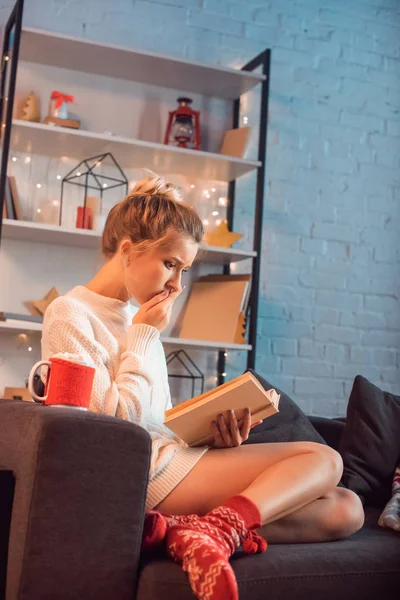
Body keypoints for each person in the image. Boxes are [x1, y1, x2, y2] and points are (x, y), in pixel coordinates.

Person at [42, 175, 365, 600]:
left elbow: (155, 420)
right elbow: (117, 430)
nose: (178, 284)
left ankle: (184, 531)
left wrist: (212, 438)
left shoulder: (137, 317)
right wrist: (143, 337)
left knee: (345, 510)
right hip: (142, 473)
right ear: (127, 251)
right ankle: (218, 528)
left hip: (172, 458)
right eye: (170, 264)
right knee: (323, 458)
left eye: (184, 270)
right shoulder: (71, 313)